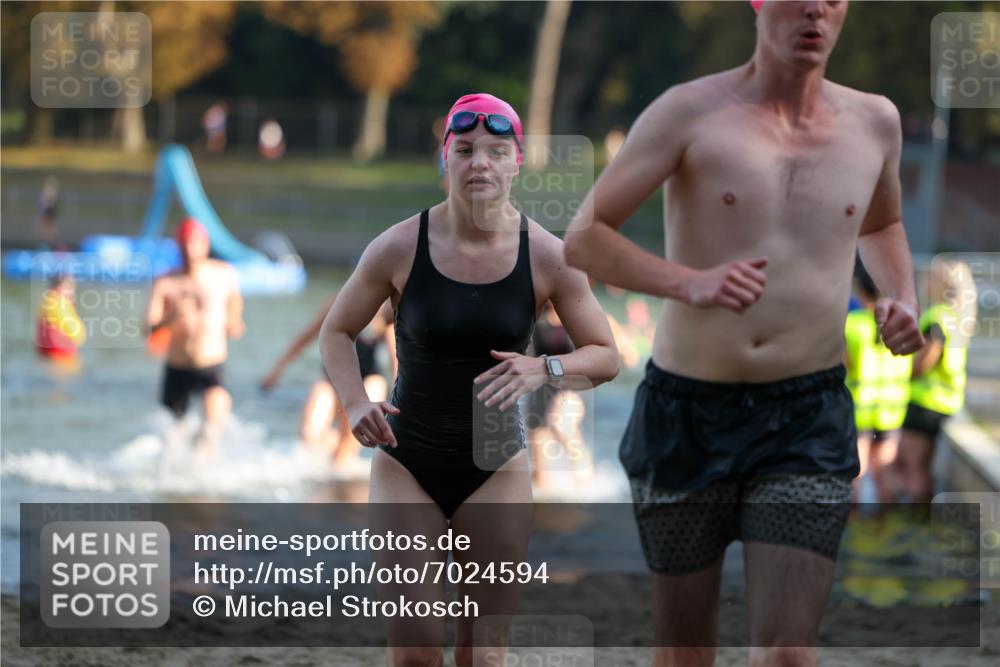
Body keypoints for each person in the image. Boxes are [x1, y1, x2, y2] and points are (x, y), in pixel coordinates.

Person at [563, 2, 924, 665]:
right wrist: (687, 282)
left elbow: (881, 223)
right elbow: (584, 237)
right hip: (687, 412)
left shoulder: (875, 121)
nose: (815, 9)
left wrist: (902, 295)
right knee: (684, 651)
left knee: (787, 654)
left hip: (806, 417)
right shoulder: (688, 111)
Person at [319, 93, 619, 667]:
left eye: (496, 151)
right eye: (465, 150)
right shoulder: (398, 246)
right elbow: (336, 332)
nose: (479, 162)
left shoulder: (549, 256)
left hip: (497, 465)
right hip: (407, 459)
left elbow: (605, 356)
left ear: (516, 162)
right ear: (446, 158)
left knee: (483, 653)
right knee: (415, 651)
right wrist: (355, 402)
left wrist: (544, 368)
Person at [145, 217, 244, 460]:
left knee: (211, 428)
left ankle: (202, 475)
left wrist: (234, 321)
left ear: (205, 245)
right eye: (185, 244)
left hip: (211, 366)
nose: (190, 251)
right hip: (177, 368)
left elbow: (235, 306)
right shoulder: (166, 282)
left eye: (194, 244)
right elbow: (147, 327)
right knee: (172, 439)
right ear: (178, 246)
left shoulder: (224, 275)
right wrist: (170, 319)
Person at [261, 296, 395, 462]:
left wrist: (400, 396)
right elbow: (306, 337)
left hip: (368, 378)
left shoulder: (381, 308)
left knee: (348, 442)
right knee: (308, 435)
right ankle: (333, 446)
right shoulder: (339, 300)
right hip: (332, 378)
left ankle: (342, 456)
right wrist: (277, 370)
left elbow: (395, 356)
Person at [895, 259, 976, 503]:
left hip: (925, 401)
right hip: (945, 399)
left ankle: (916, 518)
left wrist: (900, 372)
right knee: (921, 466)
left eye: (932, 276)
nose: (926, 280)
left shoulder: (937, 317)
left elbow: (925, 360)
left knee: (914, 467)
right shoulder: (958, 317)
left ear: (943, 284)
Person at [844, 266, 912, 505]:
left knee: (856, 474)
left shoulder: (853, 324)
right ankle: (886, 524)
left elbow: (845, 364)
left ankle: (856, 523)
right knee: (884, 473)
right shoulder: (901, 324)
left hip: (859, 408)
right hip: (891, 408)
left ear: (860, 291)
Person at [525, 302, 594, 490]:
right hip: (541, 390)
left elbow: (602, 349)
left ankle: (585, 483)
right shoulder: (536, 321)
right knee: (540, 459)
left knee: (561, 423)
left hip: (569, 388)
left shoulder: (579, 320)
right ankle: (543, 498)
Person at [36, 273, 86, 373]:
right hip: (59, 356)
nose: (72, 290)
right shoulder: (57, 303)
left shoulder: (49, 300)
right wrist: (80, 337)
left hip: (51, 354)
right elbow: (72, 329)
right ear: (61, 286)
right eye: (70, 286)